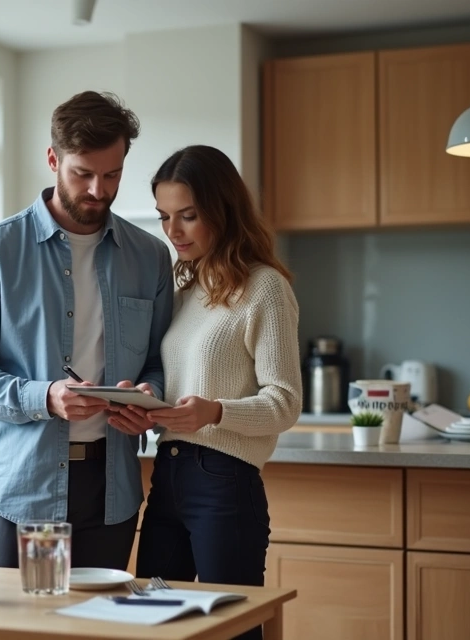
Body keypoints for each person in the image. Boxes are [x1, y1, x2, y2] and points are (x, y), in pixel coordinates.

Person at [0, 91, 174, 570]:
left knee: (98, 625)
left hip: (111, 487)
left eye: (112, 175)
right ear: (53, 159)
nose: (97, 189)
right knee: (24, 623)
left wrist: (150, 395)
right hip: (21, 485)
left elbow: (157, 358)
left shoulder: (149, 256)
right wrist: (45, 396)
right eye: (82, 173)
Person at [133, 144, 301, 640]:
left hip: (224, 486)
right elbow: (180, 381)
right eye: (165, 216)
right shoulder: (183, 289)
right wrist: (146, 397)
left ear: (222, 210)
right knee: (152, 614)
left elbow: (285, 402)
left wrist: (214, 412)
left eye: (188, 215)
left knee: (234, 630)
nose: (173, 231)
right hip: (167, 477)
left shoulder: (264, 288)